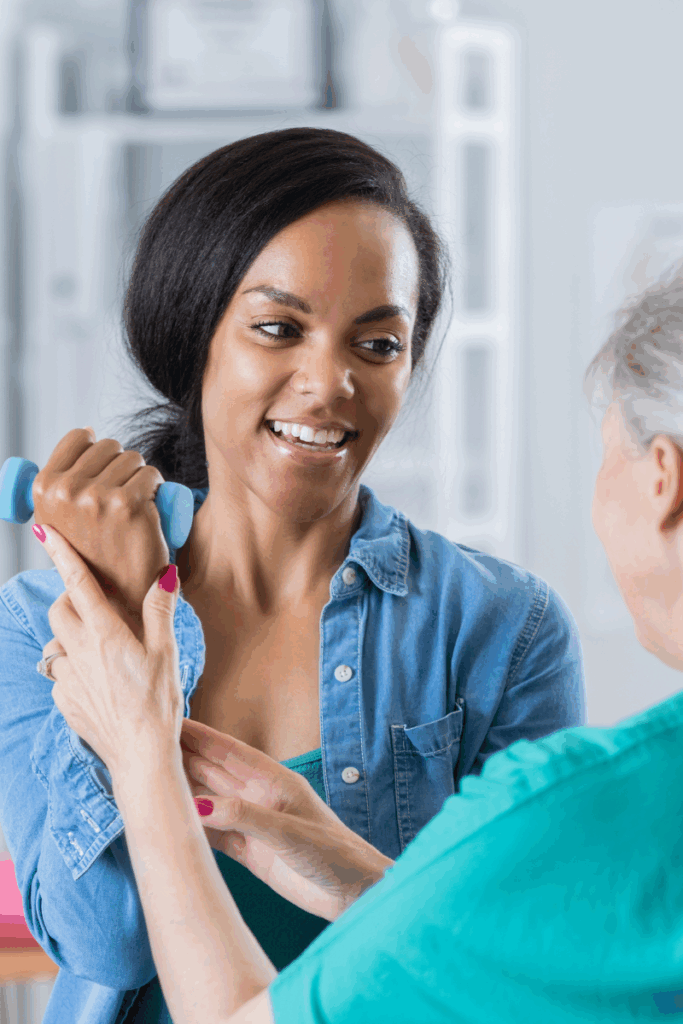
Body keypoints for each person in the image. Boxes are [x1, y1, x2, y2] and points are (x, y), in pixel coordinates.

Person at [0, 127, 583, 1024]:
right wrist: (121, 621)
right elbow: (109, 944)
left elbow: (524, 966)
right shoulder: (37, 622)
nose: (329, 382)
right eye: (279, 329)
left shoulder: (505, 629)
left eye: (377, 345)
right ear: (195, 335)